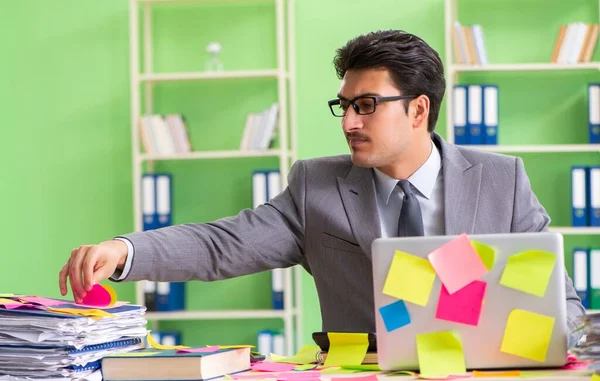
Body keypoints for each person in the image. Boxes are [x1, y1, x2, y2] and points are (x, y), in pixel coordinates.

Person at [58, 29, 584, 347]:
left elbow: (563, 304)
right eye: (345, 106)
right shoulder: (318, 186)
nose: (349, 122)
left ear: (419, 108)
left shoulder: (501, 180)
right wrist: (125, 251)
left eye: (367, 105)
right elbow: (226, 244)